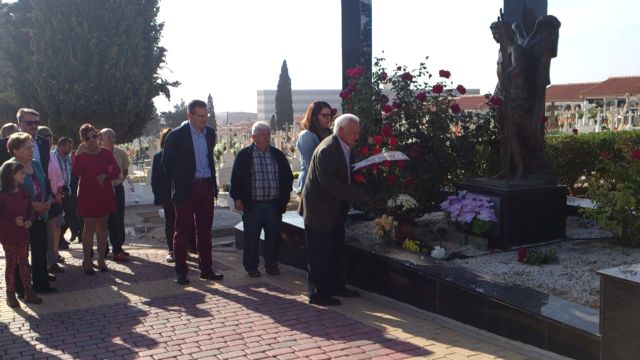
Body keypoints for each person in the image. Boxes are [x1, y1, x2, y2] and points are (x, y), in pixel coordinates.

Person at [298, 114, 368, 306]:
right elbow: (330, 183)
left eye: (358, 132)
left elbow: (347, 173)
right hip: (320, 211)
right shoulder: (328, 149)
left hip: (335, 209)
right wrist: (360, 194)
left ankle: (337, 286)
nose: (356, 136)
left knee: (336, 249)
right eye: (354, 132)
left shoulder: (345, 147)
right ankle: (318, 293)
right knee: (319, 253)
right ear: (341, 131)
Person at [162, 99, 223, 285]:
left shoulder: (210, 134)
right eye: (200, 116)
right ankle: (181, 271)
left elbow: (209, 158)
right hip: (185, 188)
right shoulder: (176, 136)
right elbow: (167, 163)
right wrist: (181, 178)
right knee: (181, 231)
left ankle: (207, 269)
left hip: (205, 186)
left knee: (205, 231)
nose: (204, 119)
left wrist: (212, 185)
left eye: (206, 115)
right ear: (189, 116)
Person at [230, 121, 293, 277]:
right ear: (253, 137)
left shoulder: (277, 155)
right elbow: (236, 178)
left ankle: (271, 265)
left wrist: (284, 199)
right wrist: (237, 198)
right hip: (253, 205)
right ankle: (251, 266)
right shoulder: (244, 156)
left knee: (273, 236)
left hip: (273, 204)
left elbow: (287, 177)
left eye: (268, 135)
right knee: (251, 237)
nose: (266, 138)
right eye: (262, 135)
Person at [7, 132, 55, 294]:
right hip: (20, 219)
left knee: (40, 250)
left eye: (32, 147)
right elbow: (7, 196)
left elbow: (45, 184)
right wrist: (31, 205)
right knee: (21, 253)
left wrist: (47, 202)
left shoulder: (35, 164)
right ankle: (21, 288)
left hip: (40, 216)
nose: (31, 150)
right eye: (27, 148)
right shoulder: (8, 168)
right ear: (15, 150)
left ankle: (41, 284)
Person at [72, 124, 120, 275]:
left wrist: (106, 175)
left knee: (102, 227)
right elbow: (75, 172)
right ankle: (87, 261)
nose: (91, 140)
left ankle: (101, 259)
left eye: (94, 136)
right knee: (89, 228)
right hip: (87, 194)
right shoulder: (80, 154)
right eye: (87, 137)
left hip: (103, 193)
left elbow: (116, 170)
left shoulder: (105, 153)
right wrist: (78, 156)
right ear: (83, 139)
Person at [0, 161, 42, 307]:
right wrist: (12, 221)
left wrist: (29, 221)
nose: (24, 175)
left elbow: (30, 209)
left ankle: (28, 292)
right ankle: (10, 294)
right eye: (21, 173)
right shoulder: (2, 194)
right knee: (11, 264)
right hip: (8, 235)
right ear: (11, 175)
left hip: (23, 233)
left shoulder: (24, 191)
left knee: (24, 263)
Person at [37, 126, 65, 274]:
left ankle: (53, 259)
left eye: (50, 135)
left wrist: (59, 192)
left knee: (55, 231)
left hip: (56, 198)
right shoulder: (39, 155)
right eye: (44, 135)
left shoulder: (52, 154)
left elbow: (59, 175)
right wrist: (52, 197)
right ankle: (48, 264)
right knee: (47, 234)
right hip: (46, 200)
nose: (48, 138)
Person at [99, 128, 130, 262]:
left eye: (113, 136)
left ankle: (118, 247)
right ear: (101, 138)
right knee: (103, 220)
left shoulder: (120, 153)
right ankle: (103, 248)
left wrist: (119, 181)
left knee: (118, 218)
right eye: (108, 137)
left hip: (117, 188)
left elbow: (124, 169)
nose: (112, 139)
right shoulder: (97, 153)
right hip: (102, 190)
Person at [295, 101, 333, 193]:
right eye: (325, 116)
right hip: (310, 184)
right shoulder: (306, 135)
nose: (328, 119)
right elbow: (312, 163)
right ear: (314, 116)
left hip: (324, 184)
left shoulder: (328, 134)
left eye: (330, 116)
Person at [151, 127, 176, 263]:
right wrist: (158, 198)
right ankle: (171, 250)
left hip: (182, 195)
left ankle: (185, 249)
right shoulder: (158, 158)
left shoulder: (182, 155)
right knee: (170, 222)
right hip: (167, 196)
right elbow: (155, 180)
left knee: (185, 223)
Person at [0, 108, 50, 173]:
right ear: (20, 124)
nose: (34, 125)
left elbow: (45, 169)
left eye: (36, 123)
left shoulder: (44, 142)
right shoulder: (3, 144)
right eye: (29, 123)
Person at [56, 137, 78, 245]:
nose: (70, 149)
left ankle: (71, 232)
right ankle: (59, 240)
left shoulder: (68, 158)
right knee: (59, 216)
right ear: (61, 146)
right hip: (57, 191)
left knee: (70, 212)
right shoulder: (53, 157)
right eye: (68, 147)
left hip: (67, 190)